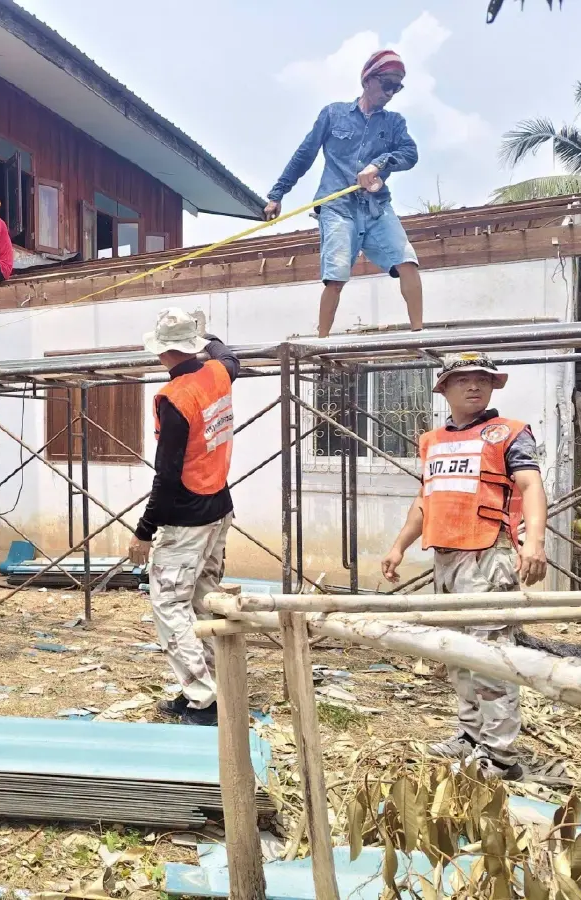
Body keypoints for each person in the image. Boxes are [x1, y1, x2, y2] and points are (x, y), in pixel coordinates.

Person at [381, 352, 548, 781]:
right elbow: (426, 499)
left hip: (488, 554)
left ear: (493, 386)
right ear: (444, 389)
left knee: (492, 656)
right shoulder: (432, 441)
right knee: (457, 653)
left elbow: (530, 484)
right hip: (447, 558)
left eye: (482, 379)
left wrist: (535, 542)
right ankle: (471, 736)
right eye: (463, 380)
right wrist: (399, 546)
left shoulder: (508, 434)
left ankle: (502, 756)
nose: (474, 386)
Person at [128, 307, 239, 727]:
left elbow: (167, 476)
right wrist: (204, 334)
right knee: (203, 598)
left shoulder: (175, 399)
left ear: (162, 353)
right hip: (219, 508)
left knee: (169, 604)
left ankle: (204, 698)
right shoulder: (218, 374)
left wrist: (143, 532)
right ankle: (215, 686)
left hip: (188, 516)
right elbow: (229, 355)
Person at [264, 50, 423, 339]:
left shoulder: (394, 123)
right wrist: (278, 194)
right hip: (338, 206)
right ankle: (322, 341)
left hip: (376, 206)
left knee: (407, 261)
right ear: (367, 80)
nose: (391, 92)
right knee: (335, 275)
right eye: (387, 83)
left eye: (397, 86)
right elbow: (304, 155)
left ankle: (419, 333)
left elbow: (410, 154)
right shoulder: (333, 114)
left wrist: (380, 163)